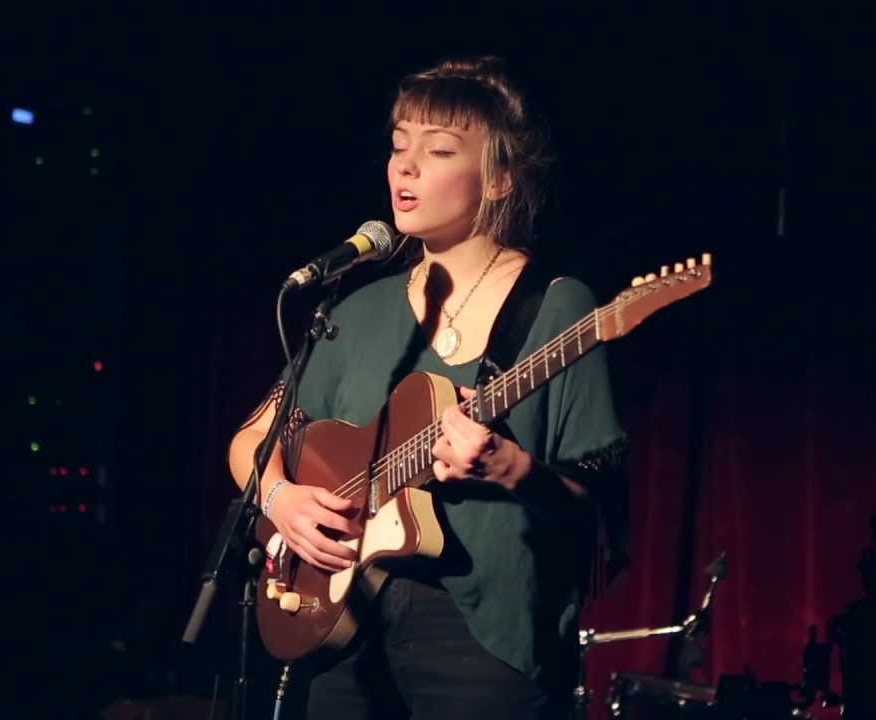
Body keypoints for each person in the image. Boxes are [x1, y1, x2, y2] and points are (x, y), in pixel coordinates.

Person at [227, 56, 626, 720]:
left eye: (437, 150)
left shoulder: (557, 308)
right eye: (397, 146)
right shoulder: (355, 311)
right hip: (348, 626)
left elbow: (599, 499)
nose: (404, 167)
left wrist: (512, 468)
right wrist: (283, 498)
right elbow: (251, 439)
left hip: (484, 640)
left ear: (499, 180)